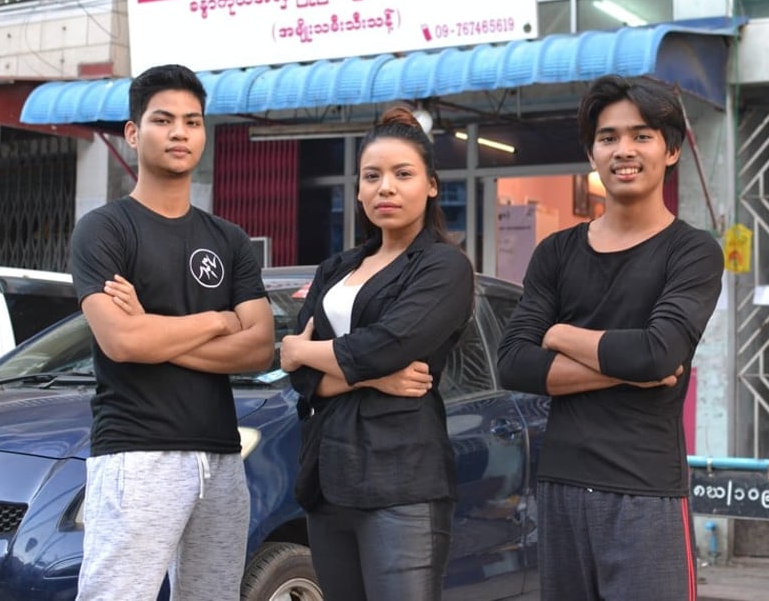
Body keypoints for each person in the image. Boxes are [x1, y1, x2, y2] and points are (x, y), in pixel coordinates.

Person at [497, 74, 724, 601]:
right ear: (592, 153)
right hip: (562, 484)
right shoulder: (556, 252)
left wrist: (557, 334)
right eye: (608, 137)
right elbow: (513, 363)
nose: (624, 150)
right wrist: (629, 365)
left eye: (641, 135)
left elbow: (657, 354)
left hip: (647, 491)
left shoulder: (691, 252)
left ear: (670, 150)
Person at [69, 63, 274, 601]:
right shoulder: (105, 229)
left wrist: (152, 330)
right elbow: (122, 342)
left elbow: (257, 348)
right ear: (134, 133)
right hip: (137, 453)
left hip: (221, 455)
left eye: (193, 121)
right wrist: (216, 319)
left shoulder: (228, 240)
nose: (180, 132)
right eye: (164, 120)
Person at [279, 106, 474, 600]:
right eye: (372, 176)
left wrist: (308, 352)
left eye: (402, 174)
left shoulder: (443, 267)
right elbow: (296, 372)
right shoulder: (337, 268)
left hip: (400, 480)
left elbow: (386, 346)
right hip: (326, 476)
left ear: (431, 185)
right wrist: (367, 375)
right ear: (359, 189)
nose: (385, 187)